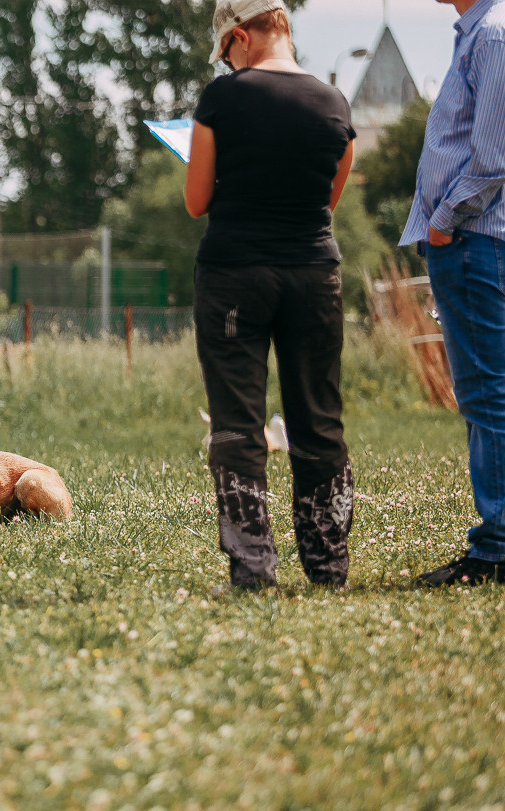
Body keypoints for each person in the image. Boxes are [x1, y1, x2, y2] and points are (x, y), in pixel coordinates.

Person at [184, 0, 357, 590]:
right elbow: (328, 197)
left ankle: (253, 569)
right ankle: (328, 566)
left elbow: (196, 199)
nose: (228, 65)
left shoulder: (223, 99)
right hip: (314, 274)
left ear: (238, 36)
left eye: (227, 53)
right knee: (318, 420)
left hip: (235, 272)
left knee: (237, 421)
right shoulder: (334, 102)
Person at [400, 0, 505, 586]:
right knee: (489, 393)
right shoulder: (477, 33)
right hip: (471, 240)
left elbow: (493, 159)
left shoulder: (491, 35)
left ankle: (496, 550)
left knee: (488, 395)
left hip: (474, 239)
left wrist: (445, 222)